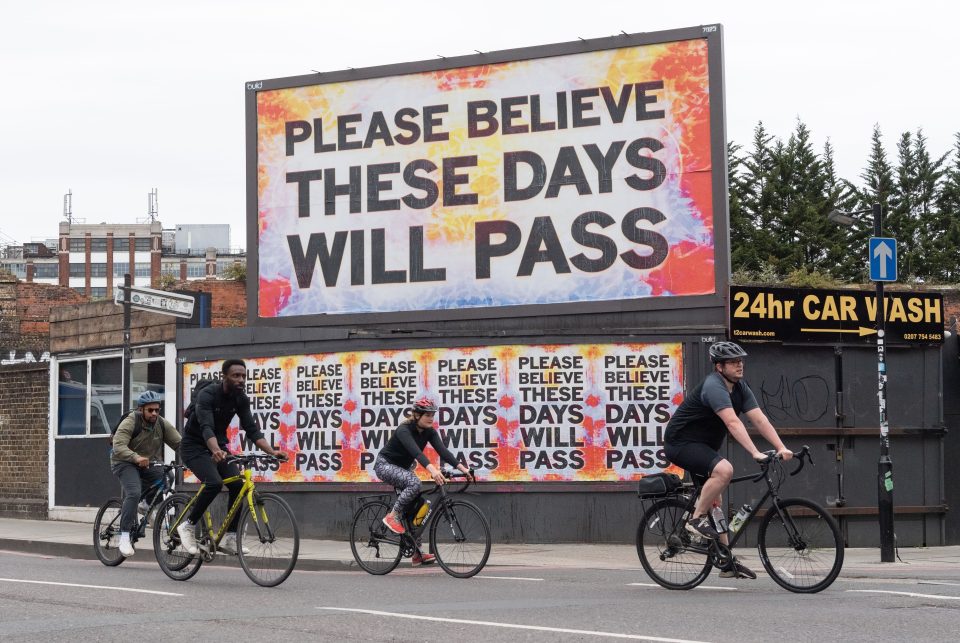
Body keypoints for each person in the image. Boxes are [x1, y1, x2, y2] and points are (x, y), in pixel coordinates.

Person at [663, 341, 792, 579]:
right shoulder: (713, 387)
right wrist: (755, 452)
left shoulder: (740, 388)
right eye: (734, 362)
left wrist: (780, 446)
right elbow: (733, 423)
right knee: (724, 471)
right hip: (680, 444)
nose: (739, 365)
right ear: (719, 367)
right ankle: (695, 520)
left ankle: (725, 560)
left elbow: (760, 419)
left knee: (717, 499)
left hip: (703, 447)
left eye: (741, 361)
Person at [177, 359, 287, 556]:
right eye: (236, 375)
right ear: (224, 376)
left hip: (218, 446)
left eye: (244, 376)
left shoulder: (241, 399)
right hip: (194, 446)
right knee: (214, 483)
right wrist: (214, 449)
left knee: (238, 484)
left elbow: (252, 429)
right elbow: (206, 427)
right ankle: (188, 525)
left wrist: (272, 451)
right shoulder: (207, 395)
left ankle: (229, 537)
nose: (241, 379)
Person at [374, 396, 474, 566]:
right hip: (385, 466)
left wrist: (464, 469)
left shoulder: (429, 432)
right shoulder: (404, 430)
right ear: (417, 415)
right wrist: (433, 470)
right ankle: (392, 516)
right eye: (427, 415)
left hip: (403, 470)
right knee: (414, 483)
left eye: (432, 415)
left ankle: (417, 553)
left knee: (420, 505)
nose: (431, 418)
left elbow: (444, 452)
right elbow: (416, 453)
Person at [110, 390, 181, 557]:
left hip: (146, 463)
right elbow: (118, 446)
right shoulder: (130, 421)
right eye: (150, 410)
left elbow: (179, 443)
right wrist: (135, 457)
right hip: (123, 461)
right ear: (141, 409)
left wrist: (195, 461)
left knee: (167, 477)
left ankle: (146, 505)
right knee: (133, 493)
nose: (154, 413)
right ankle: (125, 536)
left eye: (157, 410)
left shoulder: (161, 424)